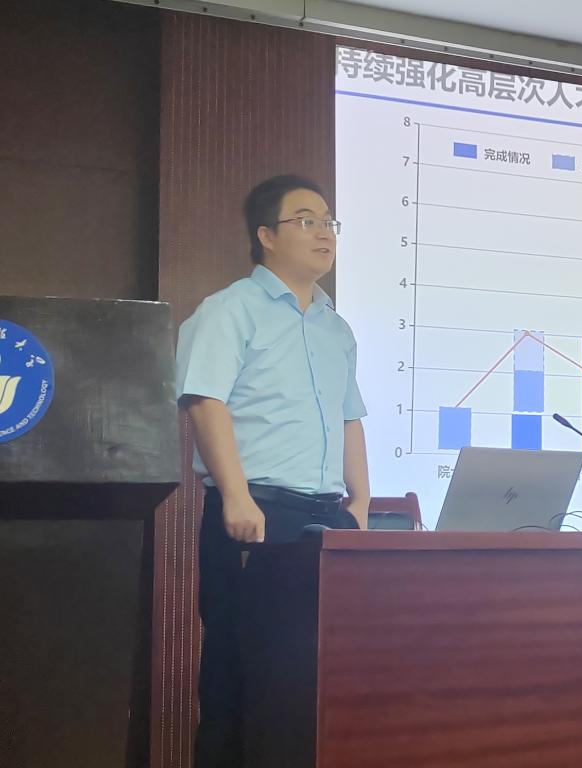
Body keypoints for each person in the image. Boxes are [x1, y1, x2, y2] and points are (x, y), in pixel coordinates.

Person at [175, 174, 370, 768]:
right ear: (266, 235)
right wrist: (236, 497)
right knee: (243, 682)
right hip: (257, 515)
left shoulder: (336, 328)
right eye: (306, 220)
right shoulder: (229, 309)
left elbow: (349, 417)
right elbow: (205, 401)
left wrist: (361, 502)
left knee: (309, 685)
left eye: (329, 222)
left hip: (327, 520)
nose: (324, 233)